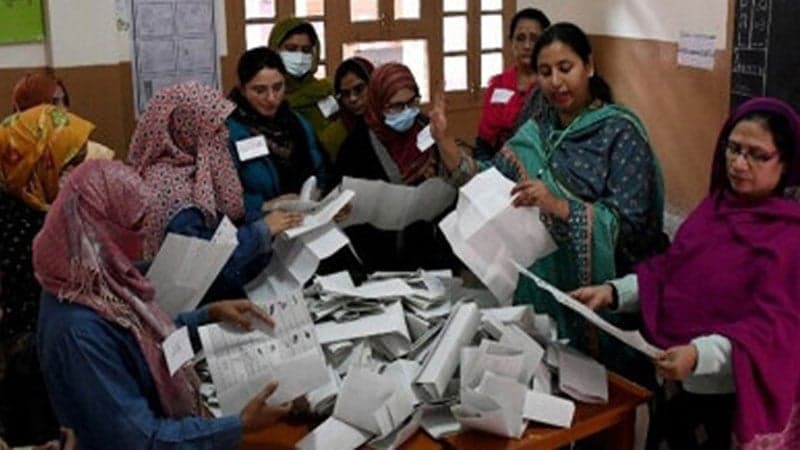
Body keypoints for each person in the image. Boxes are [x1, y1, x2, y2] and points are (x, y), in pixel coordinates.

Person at [432, 23, 666, 384]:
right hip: (546, 288)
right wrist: (444, 140)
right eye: (545, 72)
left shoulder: (620, 133)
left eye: (565, 68)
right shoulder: (537, 131)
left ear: (588, 66)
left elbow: (634, 226)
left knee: (607, 400)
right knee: (550, 385)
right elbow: (488, 181)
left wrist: (559, 206)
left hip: (606, 298)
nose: (556, 82)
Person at [572, 97, 800, 450]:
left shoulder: (790, 239)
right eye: (733, 148)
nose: (739, 163)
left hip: (727, 401)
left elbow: (771, 333)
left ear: (785, 164)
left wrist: (699, 355)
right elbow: (670, 273)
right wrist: (613, 292)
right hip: (676, 383)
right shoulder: (713, 211)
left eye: (758, 155)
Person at [35, 160, 292, 450]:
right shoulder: (78, 332)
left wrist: (206, 317)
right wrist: (238, 426)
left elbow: (142, 345)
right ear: (97, 231)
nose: (142, 237)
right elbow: (140, 439)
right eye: (133, 226)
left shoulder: (94, 278)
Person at [127, 82, 296, 301]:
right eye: (215, 129)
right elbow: (202, 262)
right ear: (187, 131)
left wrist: (273, 217)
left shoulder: (190, 169)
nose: (224, 134)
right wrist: (262, 230)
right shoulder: (170, 189)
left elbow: (226, 221)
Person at [0, 104, 95, 446]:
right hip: (28, 373)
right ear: (37, 163)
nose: (77, 175)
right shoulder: (27, 228)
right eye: (70, 164)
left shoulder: (37, 205)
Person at [335, 62, 456, 273]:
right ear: (377, 104)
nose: (407, 112)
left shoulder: (428, 129)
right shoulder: (356, 147)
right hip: (380, 261)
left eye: (412, 103)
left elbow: (454, 177)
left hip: (432, 252)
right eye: (396, 107)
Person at [228, 47, 330, 216]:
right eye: (259, 90)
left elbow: (321, 168)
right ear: (242, 90)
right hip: (260, 229)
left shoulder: (298, 123)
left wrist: (320, 196)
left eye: (278, 87)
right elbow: (222, 197)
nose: (271, 98)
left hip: (305, 222)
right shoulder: (229, 132)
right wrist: (266, 206)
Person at [476, 8, 550, 158]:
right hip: (492, 159)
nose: (527, 46)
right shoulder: (498, 84)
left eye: (534, 39)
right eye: (520, 38)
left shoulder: (551, 87)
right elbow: (483, 139)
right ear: (511, 43)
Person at [11, 72, 114, 160]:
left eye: (64, 101)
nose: (63, 109)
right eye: (54, 102)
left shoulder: (94, 154)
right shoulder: (9, 157)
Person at [268, 18, 335, 143]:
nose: (299, 56)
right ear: (275, 50)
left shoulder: (323, 92)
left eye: (306, 50)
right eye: (291, 49)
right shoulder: (265, 95)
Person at [319, 57, 375, 162]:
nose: (352, 99)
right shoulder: (334, 136)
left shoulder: (393, 121)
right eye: (345, 94)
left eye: (359, 89)